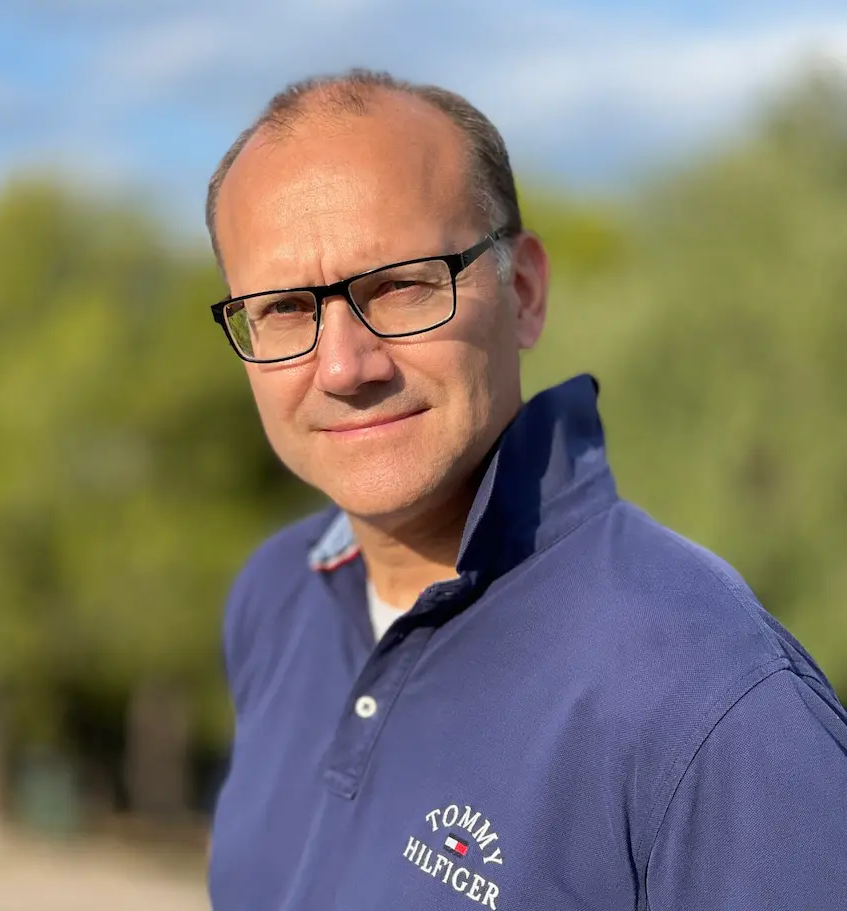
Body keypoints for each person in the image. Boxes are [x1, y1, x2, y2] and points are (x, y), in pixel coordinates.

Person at [203, 69, 847, 911]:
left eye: (400, 285)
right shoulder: (274, 595)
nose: (343, 367)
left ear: (526, 292)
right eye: (286, 307)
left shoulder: (712, 696)